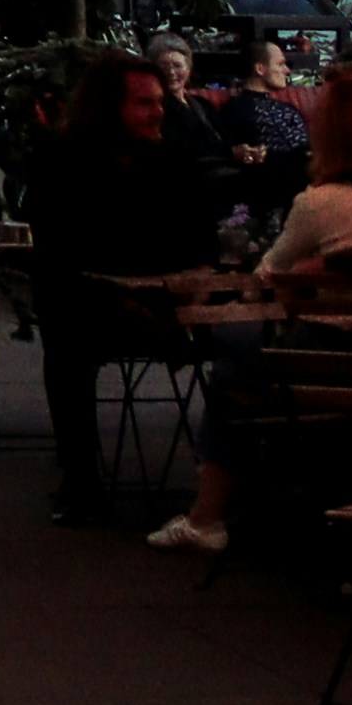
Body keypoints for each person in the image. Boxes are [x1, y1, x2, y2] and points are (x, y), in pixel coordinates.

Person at [150, 71, 352, 555]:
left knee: (232, 354)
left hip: (326, 354)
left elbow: (267, 278)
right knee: (238, 355)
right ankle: (232, 495)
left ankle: (210, 508)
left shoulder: (316, 203)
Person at [30, 44, 219, 530]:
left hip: (168, 300)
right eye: (145, 103)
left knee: (245, 336)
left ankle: (229, 486)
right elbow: (62, 253)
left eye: (160, 101)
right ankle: (81, 484)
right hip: (94, 303)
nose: (159, 112)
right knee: (66, 335)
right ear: (108, 108)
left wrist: (189, 286)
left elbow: (201, 240)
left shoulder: (170, 160)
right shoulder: (63, 162)